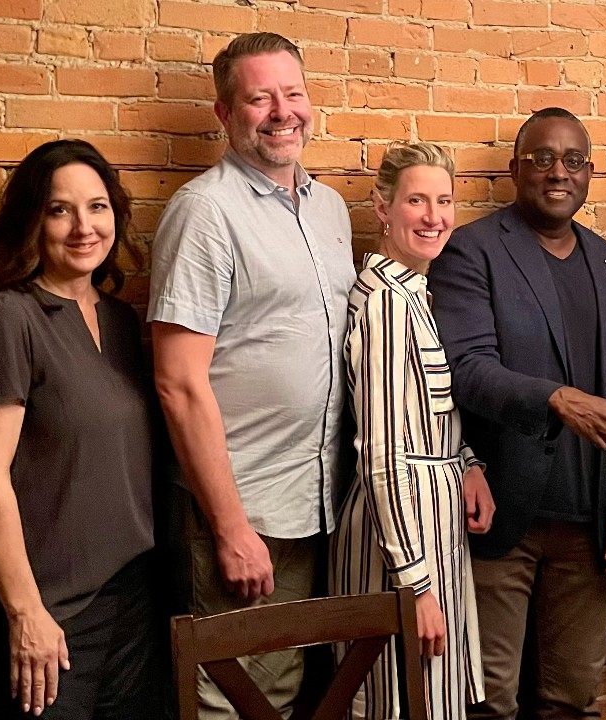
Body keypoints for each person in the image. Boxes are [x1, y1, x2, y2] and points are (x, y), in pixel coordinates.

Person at [148, 32, 354, 718]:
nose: (281, 110)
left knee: (296, 691)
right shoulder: (204, 212)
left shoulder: (328, 210)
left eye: (292, 93)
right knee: (237, 700)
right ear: (224, 113)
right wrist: (232, 526)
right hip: (249, 510)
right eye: (259, 97)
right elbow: (178, 383)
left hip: (323, 506)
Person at [427, 107, 606, 720]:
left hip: (591, 526)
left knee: (570, 700)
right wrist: (554, 397)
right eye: (542, 158)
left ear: (589, 173)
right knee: (487, 700)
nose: (559, 172)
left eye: (573, 160)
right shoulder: (471, 251)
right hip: (504, 518)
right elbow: (466, 368)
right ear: (515, 169)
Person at [0, 139, 157, 719]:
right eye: (59, 209)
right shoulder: (6, 319)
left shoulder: (118, 319)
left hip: (131, 600)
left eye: (97, 206)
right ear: (31, 221)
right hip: (49, 614)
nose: (83, 226)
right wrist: (26, 613)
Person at [330, 141, 495, 719]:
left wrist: (469, 461)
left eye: (445, 201)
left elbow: (431, 410)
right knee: (396, 705)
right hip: (397, 540)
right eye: (417, 200)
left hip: (436, 518)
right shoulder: (383, 307)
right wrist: (414, 586)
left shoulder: (416, 293)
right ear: (382, 207)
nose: (434, 216)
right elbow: (379, 453)